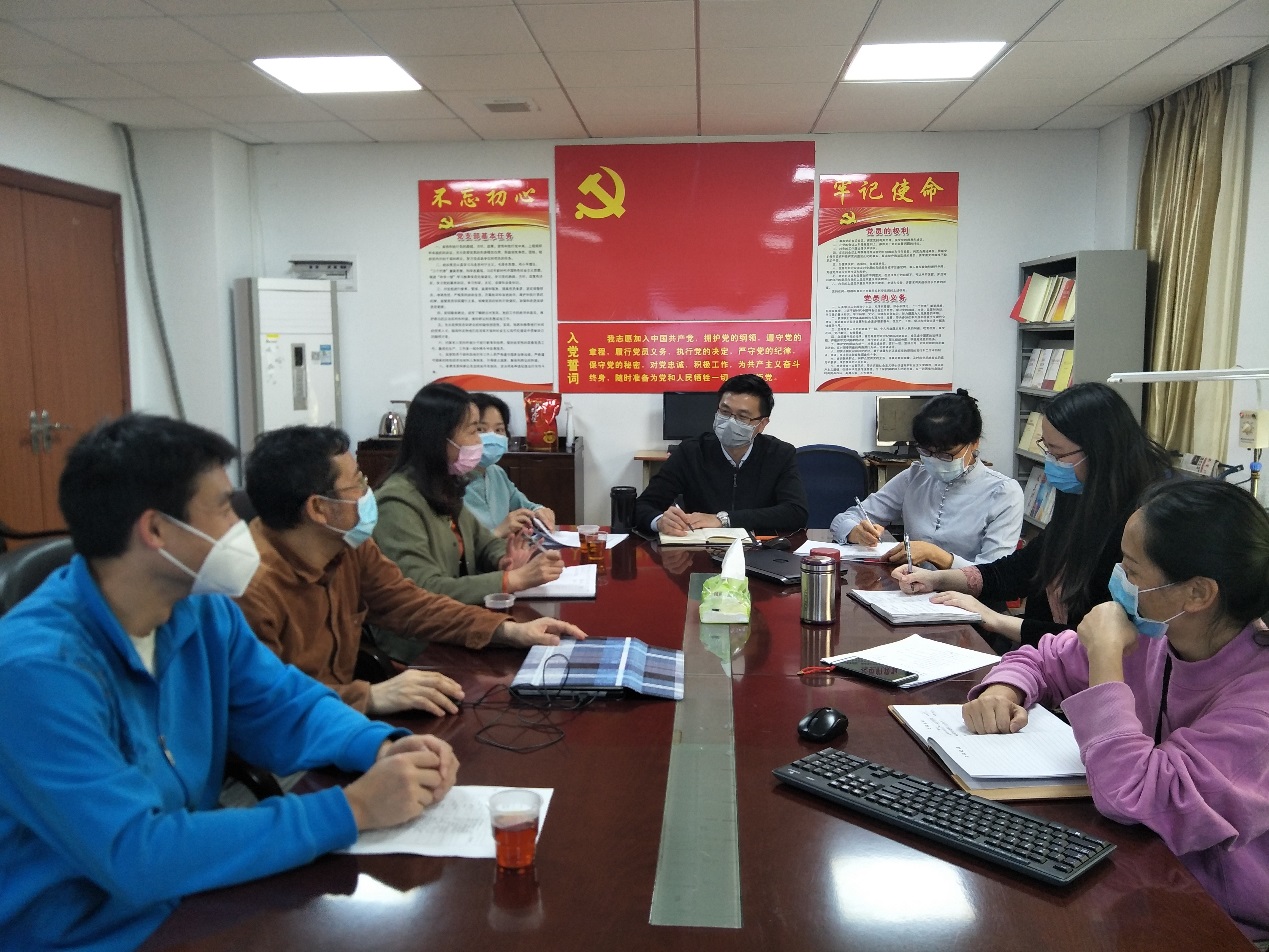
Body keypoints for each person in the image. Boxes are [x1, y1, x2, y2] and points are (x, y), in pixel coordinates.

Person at [0, 414, 459, 952]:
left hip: (191, 897)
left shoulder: (199, 610)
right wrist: (352, 809)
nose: (241, 527)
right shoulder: (36, 671)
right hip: (93, 933)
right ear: (156, 531)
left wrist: (383, 746)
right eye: (223, 508)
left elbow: (285, 705)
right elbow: (137, 854)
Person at [962, 479, 1269, 942]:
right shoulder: (1157, 632)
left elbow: (1139, 797)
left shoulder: (1258, 702)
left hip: (1215, 913)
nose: (1118, 578)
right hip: (1135, 867)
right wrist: (1004, 690)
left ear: (1197, 593)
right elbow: (1044, 658)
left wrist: (1105, 655)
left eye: (1132, 568)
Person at [236, 425, 585, 716]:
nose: (368, 492)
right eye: (358, 483)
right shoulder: (250, 589)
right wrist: (370, 697)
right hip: (294, 751)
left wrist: (509, 631)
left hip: (342, 722)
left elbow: (410, 604)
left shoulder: (348, 544)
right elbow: (266, 708)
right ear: (318, 508)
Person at [894, 382, 1172, 648]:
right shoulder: (1081, 494)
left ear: (1099, 451)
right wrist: (937, 579)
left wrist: (994, 619)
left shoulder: (1140, 522)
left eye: (1058, 454)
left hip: (1077, 659)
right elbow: (1022, 567)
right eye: (1046, 448)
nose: (1050, 462)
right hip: (1042, 652)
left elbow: (1098, 639)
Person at [374, 383, 565, 605]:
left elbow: (483, 543)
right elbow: (423, 588)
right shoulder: (396, 503)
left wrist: (504, 559)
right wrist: (511, 580)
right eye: (474, 431)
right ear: (438, 437)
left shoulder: (445, 486)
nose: (479, 442)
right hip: (424, 625)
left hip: (460, 614)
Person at [830, 389, 1023, 569]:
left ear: (974, 443)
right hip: (911, 589)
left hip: (965, 594)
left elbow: (995, 573)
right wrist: (856, 532)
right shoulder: (916, 476)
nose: (934, 460)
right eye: (926, 451)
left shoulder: (1003, 493)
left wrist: (935, 555)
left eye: (946, 454)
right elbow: (843, 520)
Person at [634, 374, 809, 535]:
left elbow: (796, 512)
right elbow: (642, 506)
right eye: (725, 412)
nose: (730, 422)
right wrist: (659, 522)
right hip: (700, 551)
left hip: (760, 551)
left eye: (742, 417)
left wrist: (723, 520)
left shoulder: (780, 454)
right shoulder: (691, 452)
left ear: (762, 424)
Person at [464, 392, 556, 536]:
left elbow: (526, 506)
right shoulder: (448, 482)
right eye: (480, 429)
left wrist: (540, 511)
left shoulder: (496, 473)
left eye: (499, 430)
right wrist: (498, 532)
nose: (492, 436)